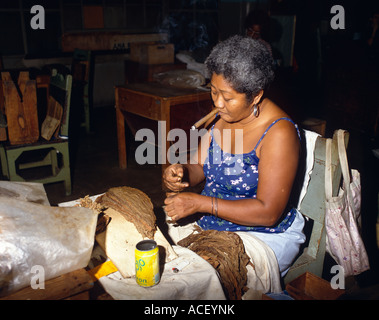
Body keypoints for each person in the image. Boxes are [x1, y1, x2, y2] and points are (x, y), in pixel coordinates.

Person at [163, 35, 305, 277]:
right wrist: (181, 172)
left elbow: (268, 213)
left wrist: (200, 203)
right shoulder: (224, 115)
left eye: (228, 97)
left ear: (256, 96)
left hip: (261, 234)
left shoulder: (279, 133)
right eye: (213, 91)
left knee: (196, 280)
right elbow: (199, 164)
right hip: (212, 222)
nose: (218, 103)